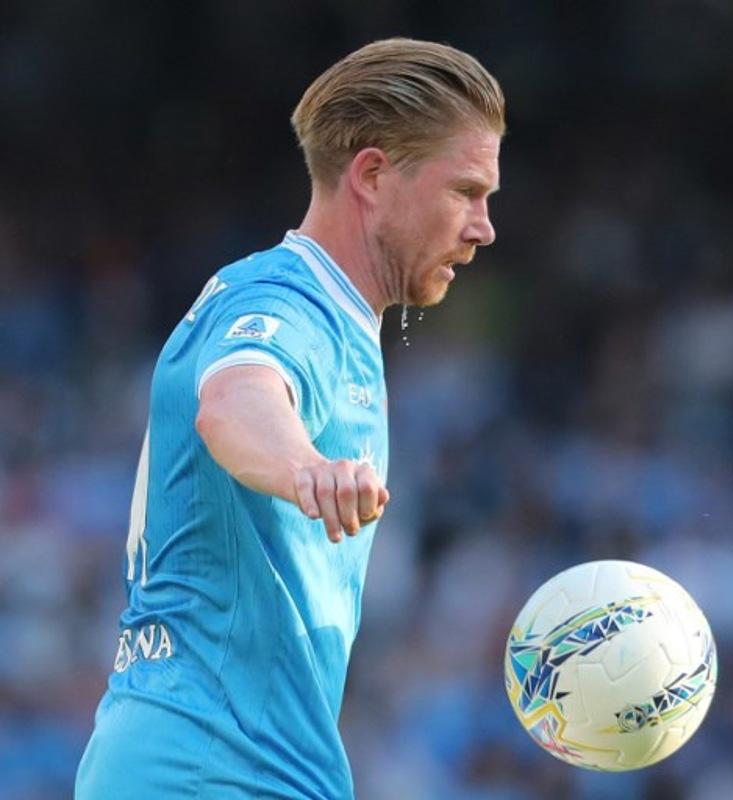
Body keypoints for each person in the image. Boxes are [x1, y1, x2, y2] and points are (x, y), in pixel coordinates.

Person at [75, 38, 504, 798]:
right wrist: (304, 466)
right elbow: (236, 398)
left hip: (228, 762)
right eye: (466, 191)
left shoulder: (329, 316)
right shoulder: (284, 302)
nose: (483, 227)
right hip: (212, 768)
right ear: (372, 175)